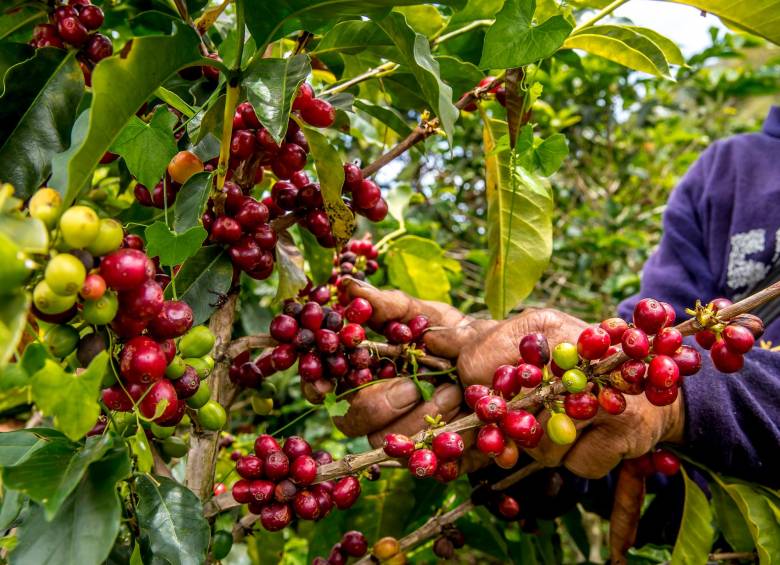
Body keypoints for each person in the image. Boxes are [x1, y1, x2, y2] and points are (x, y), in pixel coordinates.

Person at [325, 105, 780, 493]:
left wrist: (680, 404)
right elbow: (640, 370)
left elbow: (674, 398)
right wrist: (518, 436)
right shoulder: (727, 170)